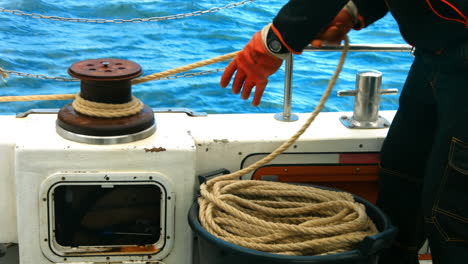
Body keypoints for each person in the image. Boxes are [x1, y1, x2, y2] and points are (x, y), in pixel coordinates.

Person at [220, 1, 468, 264]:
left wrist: (275, 41)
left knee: (452, 212)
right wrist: (353, 9)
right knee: (402, 182)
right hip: (435, 54)